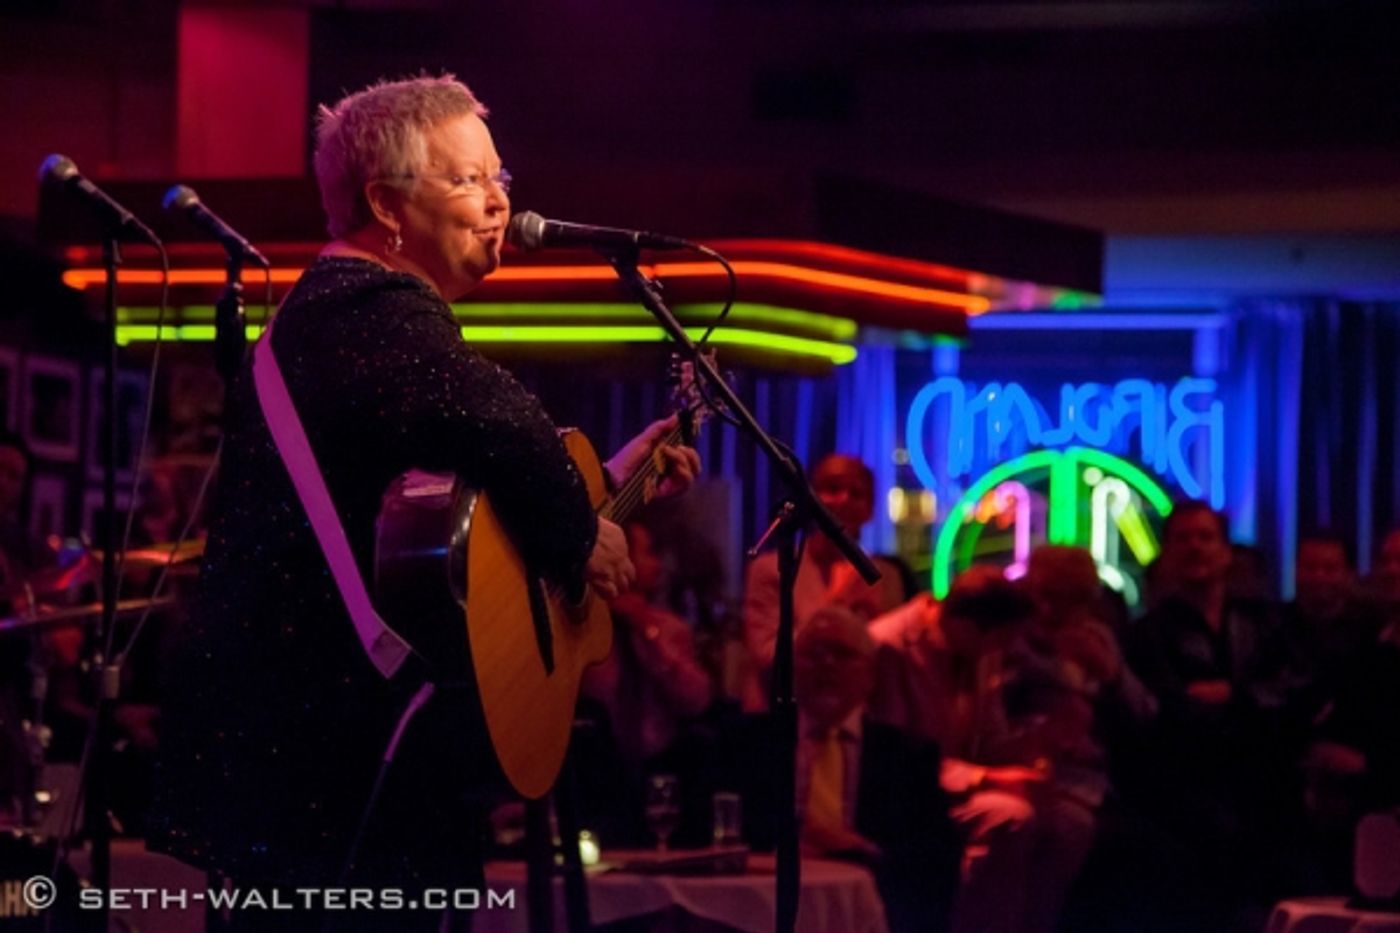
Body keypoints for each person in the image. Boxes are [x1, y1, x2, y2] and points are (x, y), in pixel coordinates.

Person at [149, 74, 698, 930]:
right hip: (327, 769)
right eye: (466, 179)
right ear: (385, 204)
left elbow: (466, 475)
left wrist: (603, 486)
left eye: (500, 178)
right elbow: (495, 416)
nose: (497, 202)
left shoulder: (340, 319)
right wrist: (572, 527)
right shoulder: (368, 306)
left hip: (307, 769)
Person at [741, 453, 909, 698]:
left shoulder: (887, 576)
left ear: (871, 510)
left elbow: (887, 666)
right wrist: (838, 602)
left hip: (856, 721)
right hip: (781, 716)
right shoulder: (770, 568)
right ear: (809, 497)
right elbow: (769, 657)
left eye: (857, 493)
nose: (844, 500)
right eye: (832, 488)